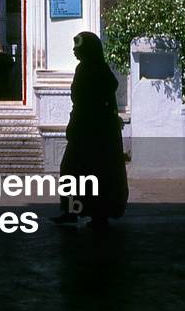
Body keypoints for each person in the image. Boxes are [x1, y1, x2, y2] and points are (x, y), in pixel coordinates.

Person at [52, 31, 128, 230]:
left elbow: (88, 102)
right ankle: (83, 212)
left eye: (78, 47)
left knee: (81, 171)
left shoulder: (90, 70)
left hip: (90, 130)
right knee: (82, 171)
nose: (74, 50)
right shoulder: (94, 69)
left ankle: (91, 213)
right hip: (91, 129)